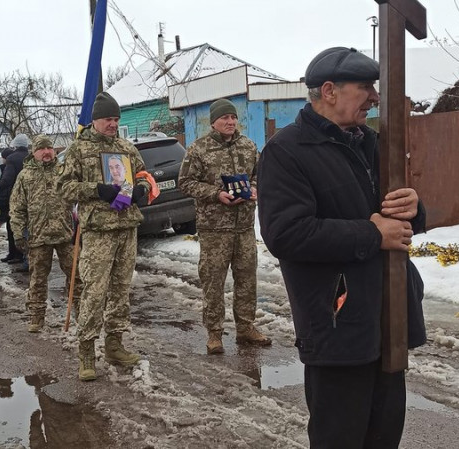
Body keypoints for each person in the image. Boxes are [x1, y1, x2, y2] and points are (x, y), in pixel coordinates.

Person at [257, 47, 427, 449]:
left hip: (388, 315)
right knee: (341, 439)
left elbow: (398, 215)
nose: (374, 97)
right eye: (365, 87)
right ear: (329, 91)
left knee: (385, 436)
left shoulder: (373, 144)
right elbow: (285, 233)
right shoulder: (286, 152)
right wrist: (371, 234)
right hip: (337, 326)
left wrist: (416, 209)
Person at [57, 91, 151, 381]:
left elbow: (145, 176)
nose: (113, 124)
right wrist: (97, 190)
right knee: (95, 292)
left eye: (116, 119)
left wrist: (142, 191)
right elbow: (63, 188)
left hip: (127, 227)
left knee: (121, 290)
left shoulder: (126, 147)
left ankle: (114, 344)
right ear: (95, 120)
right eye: (108, 119)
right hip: (98, 231)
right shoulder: (78, 149)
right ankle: (86, 351)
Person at [178, 98, 271, 354]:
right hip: (214, 229)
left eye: (233, 118)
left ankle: (246, 327)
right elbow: (185, 182)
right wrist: (215, 194)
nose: (230, 122)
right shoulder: (198, 149)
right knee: (213, 281)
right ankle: (215, 333)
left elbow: (260, 175)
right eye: (224, 119)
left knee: (246, 279)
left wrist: (253, 189)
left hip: (243, 226)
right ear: (214, 122)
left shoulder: (248, 146)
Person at [10, 135, 82, 333]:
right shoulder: (25, 176)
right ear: (34, 153)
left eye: (49, 148)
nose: (46, 152)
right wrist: (18, 232)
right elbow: (17, 208)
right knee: (38, 280)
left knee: (77, 276)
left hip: (65, 234)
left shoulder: (64, 171)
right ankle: (36, 317)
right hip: (38, 237)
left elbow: (78, 195)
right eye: (41, 149)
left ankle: (81, 313)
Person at [0, 133, 30, 265]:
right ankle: (26, 258)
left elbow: (7, 180)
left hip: (15, 197)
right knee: (29, 228)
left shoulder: (11, 159)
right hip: (32, 197)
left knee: (14, 227)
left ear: (15, 145)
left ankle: (16, 255)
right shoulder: (31, 157)